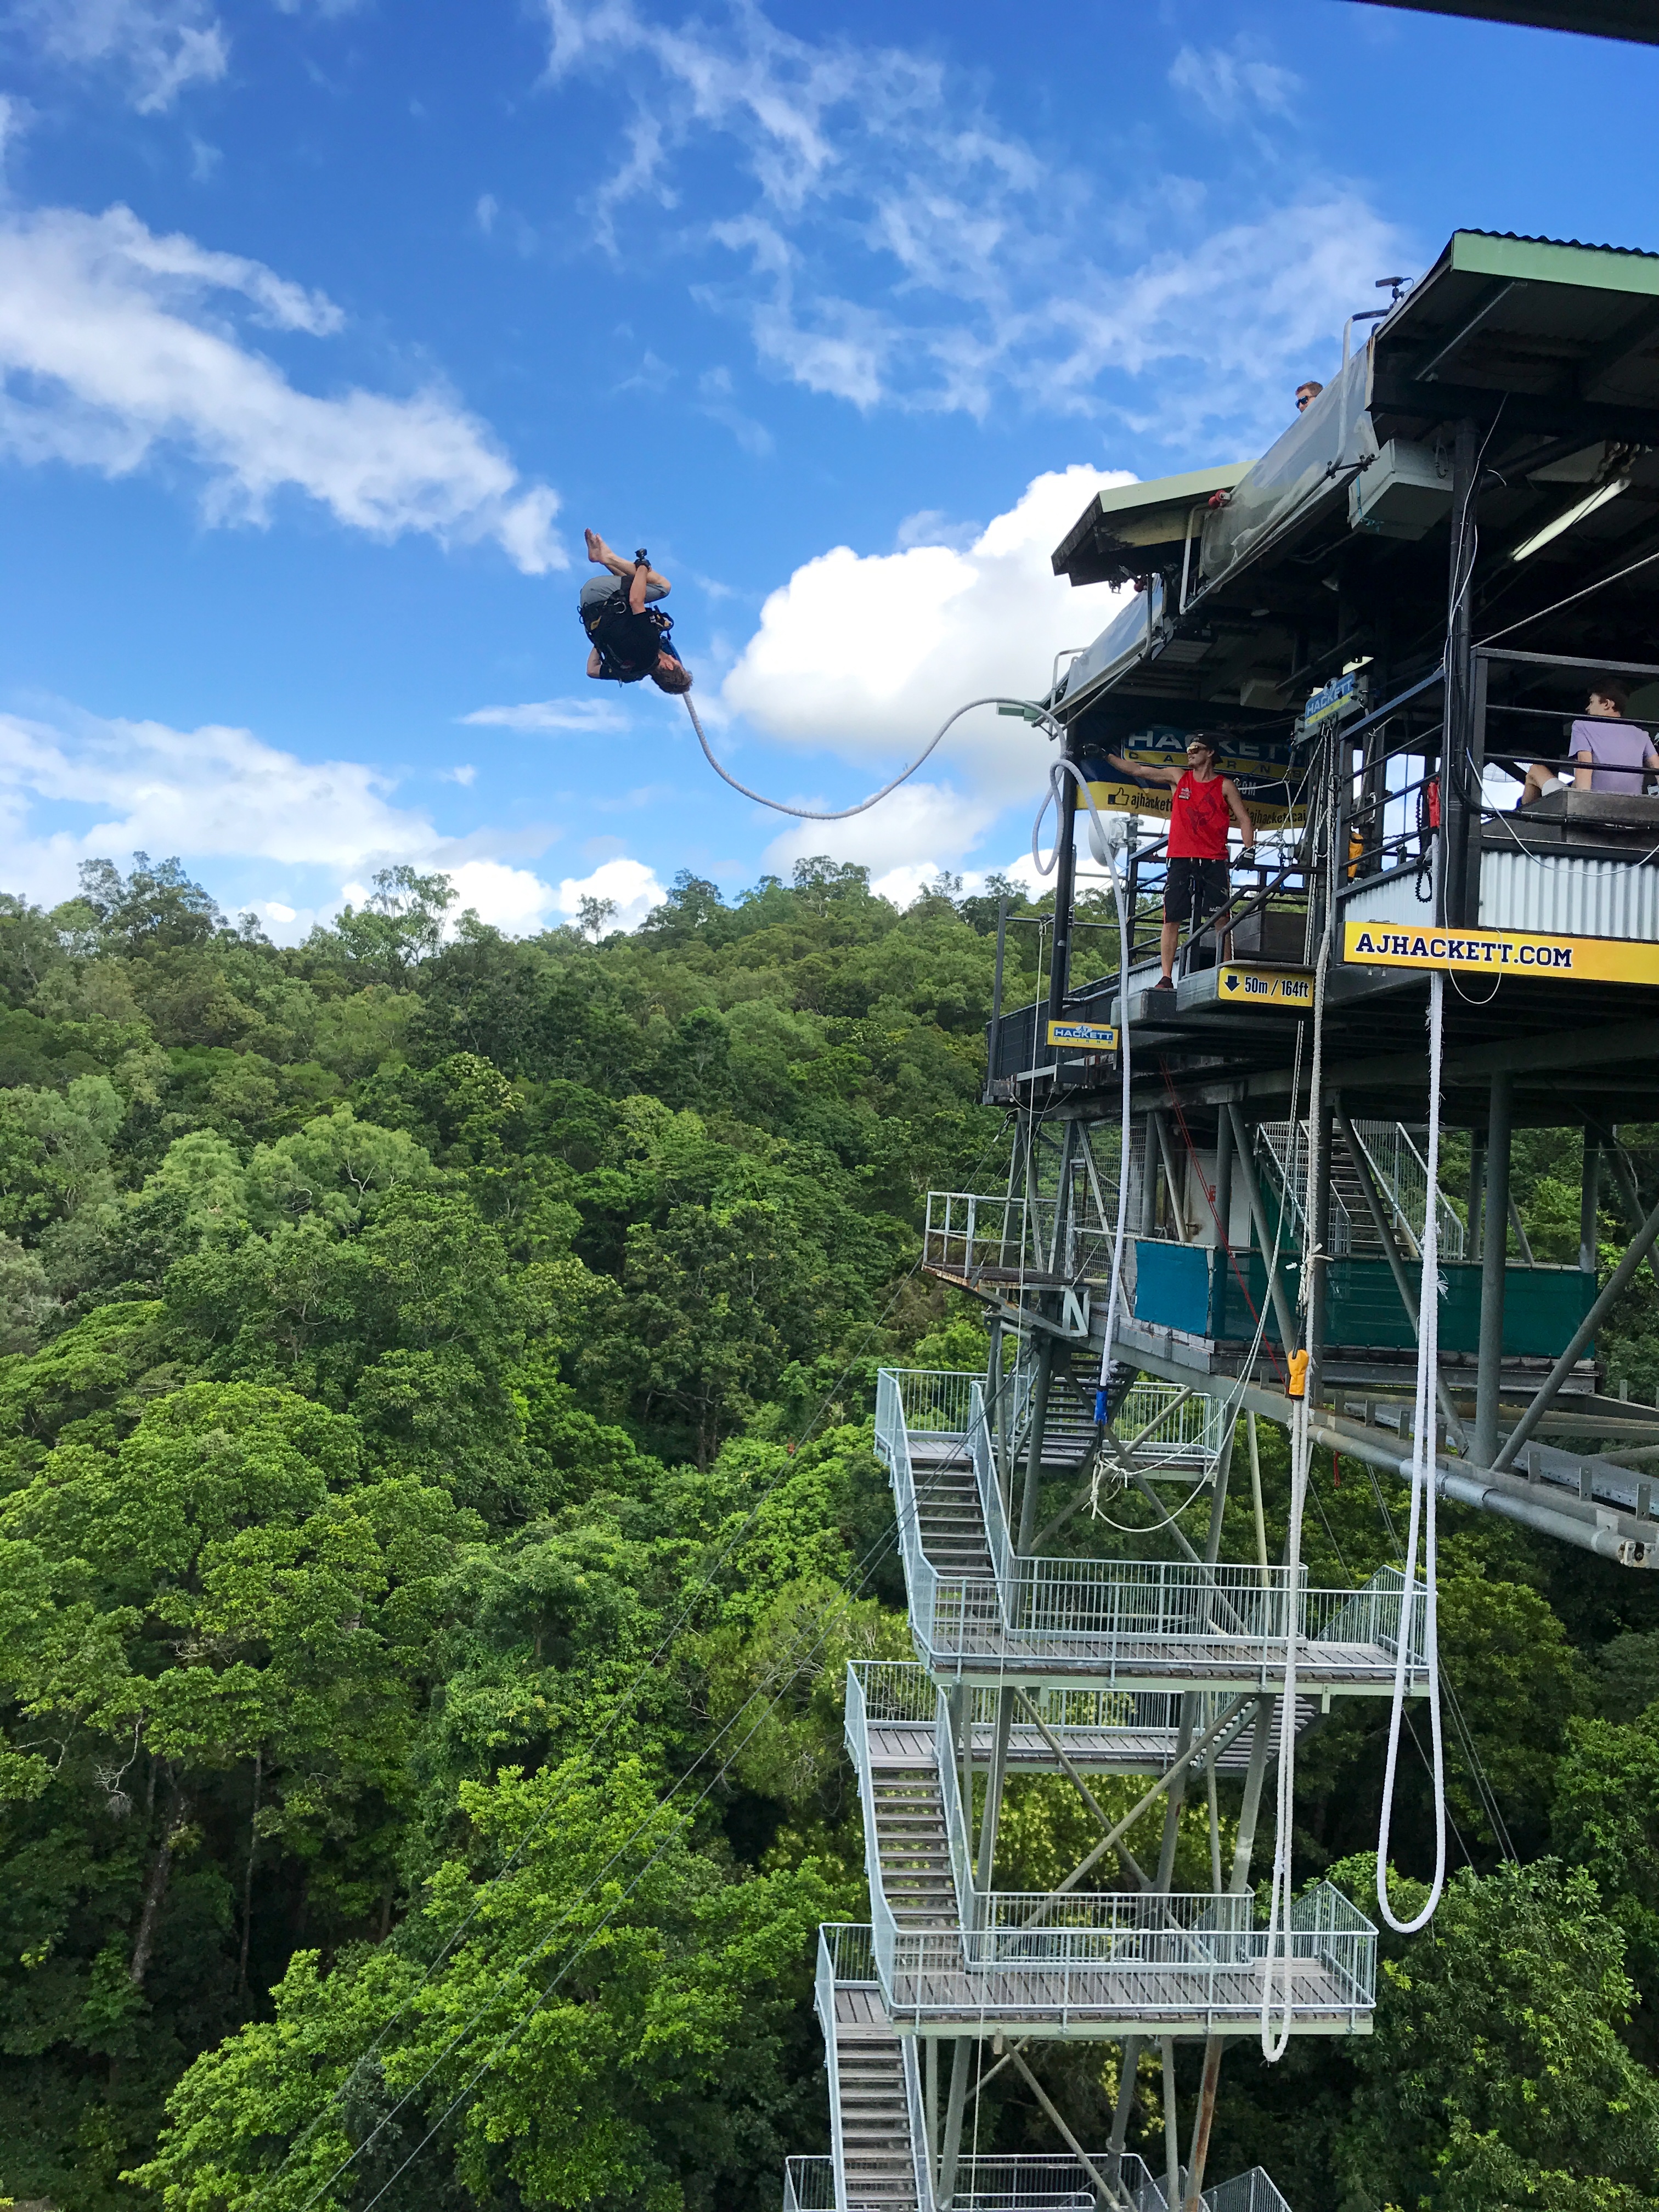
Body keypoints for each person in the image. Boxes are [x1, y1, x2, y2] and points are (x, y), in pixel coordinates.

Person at [1100, 733, 1256, 989]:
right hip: (1181, 858)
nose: (1190, 752)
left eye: (1196, 748)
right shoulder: (1178, 777)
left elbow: (1245, 819)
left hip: (1213, 859)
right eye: (1189, 748)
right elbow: (1139, 769)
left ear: (1210, 753)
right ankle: (1166, 977)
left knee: (1221, 917)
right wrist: (1106, 756)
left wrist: (1249, 849)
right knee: (1171, 917)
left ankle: (1224, 969)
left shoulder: (1225, 786)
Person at [581, 529, 693, 692]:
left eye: (676, 662)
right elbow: (592, 670)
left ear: (669, 666)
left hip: (601, 593)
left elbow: (636, 601)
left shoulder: (650, 644)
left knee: (664, 587)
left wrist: (643, 567)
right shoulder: (631, 674)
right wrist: (604, 636)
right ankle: (603, 558)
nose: (674, 658)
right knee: (636, 587)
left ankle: (607, 558)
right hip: (591, 608)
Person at [1519, 678, 1657, 806]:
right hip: (1631, 806)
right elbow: (1657, 766)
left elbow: (1585, 764)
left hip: (1591, 804)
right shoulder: (1642, 735)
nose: (1587, 708)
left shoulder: (1583, 726)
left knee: (1535, 770)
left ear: (1607, 704)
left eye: (1592, 702)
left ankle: (1523, 822)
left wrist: (1583, 806)